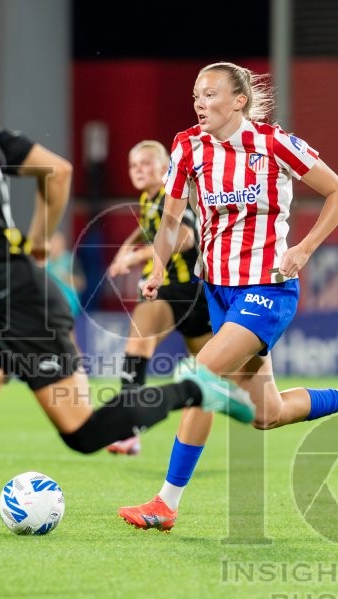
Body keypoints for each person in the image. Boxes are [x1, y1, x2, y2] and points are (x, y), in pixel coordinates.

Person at [0, 19, 254, 598]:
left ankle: (191, 390)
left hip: (16, 306)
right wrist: (42, 237)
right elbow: (59, 170)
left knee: (80, 433)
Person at [117, 61, 338, 531]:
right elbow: (170, 219)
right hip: (219, 291)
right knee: (265, 414)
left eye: (210, 95)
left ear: (239, 101)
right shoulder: (188, 146)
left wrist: (305, 249)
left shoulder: (272, 143)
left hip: (267, 287)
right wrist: (159, 267)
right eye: (195, 96)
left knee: (200, 376)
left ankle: (165, 504)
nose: (199, 104)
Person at [105, 140, 213, 456]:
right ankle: (127, 430)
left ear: (165, 167)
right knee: (140, 343)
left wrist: (135, 258)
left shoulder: (171, 196)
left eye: (146, 163)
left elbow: (184, 237)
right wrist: (129, 245)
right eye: (133, 165)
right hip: (172, 293)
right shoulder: (149, 198)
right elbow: (148, 227)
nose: (139, 170)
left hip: (186, 292)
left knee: (234, 382)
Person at [44, 230, 85, 319]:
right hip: (49, 309)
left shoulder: (70, 261)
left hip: (68, 308)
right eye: (51, 243)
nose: (53, 246)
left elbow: (81, 284)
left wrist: (63, 275)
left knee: (68, 331)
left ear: (63, 244)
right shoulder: (44, 262)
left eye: (56, 243)